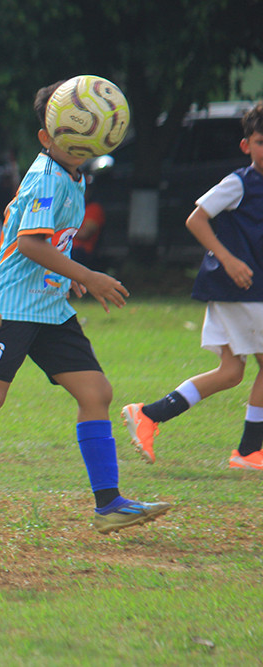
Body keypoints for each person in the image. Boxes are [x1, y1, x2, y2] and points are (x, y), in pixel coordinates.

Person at [0, 81, 173, 541]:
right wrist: (87, 274)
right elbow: (29, 243)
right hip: (11, 304)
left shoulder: (73, 175)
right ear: (47, 138)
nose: (82, 144)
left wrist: (65, 278)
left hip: (48, 304)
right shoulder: (46, 175)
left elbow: (50, 244)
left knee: (95, 391)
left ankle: (109, 503)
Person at [122, 102, 263, 471]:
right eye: (262, 142)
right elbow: (196, 219)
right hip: (240, 287)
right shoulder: (239, 183)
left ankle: (149, 415)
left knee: (232, 372)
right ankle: (249, 451)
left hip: (245, 292)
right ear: (246, 146)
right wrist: (229, 259)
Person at [71, 179, 105, 269]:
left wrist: (62, 228)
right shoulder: (69, 209)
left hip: (80, 252)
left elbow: (84, 234)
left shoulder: (94, 209)